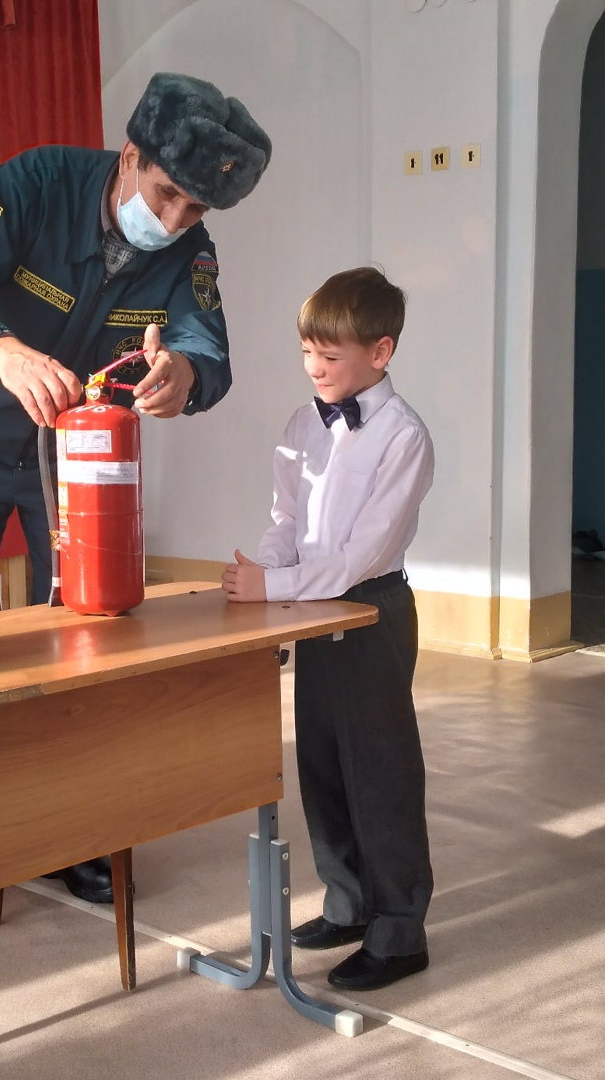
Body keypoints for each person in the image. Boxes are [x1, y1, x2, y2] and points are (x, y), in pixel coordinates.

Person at [0, 72, 271, 941]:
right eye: (167, 195)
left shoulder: (190, 246)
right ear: (130, 155)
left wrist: (183, 373)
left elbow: (205, 345)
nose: (175, 220)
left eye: (196, 209)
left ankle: (71, 828)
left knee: (81, 635)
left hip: (73, 459)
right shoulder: (33, 184)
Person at [221, 267, 434, 991]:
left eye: (330, 355)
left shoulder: (404, 437)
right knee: (320, 762)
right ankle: (348, 903)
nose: (314, 367)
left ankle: (399, 931)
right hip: (314, 611)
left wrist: (275, 588)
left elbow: (361, 557)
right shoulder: (302, 423)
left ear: (380, 351)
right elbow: (287, 521)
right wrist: (265, 572)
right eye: (307, 352)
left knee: (379, 771)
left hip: (372, 612)